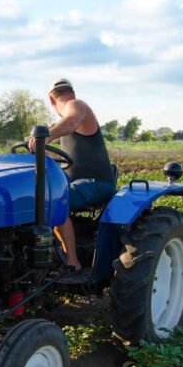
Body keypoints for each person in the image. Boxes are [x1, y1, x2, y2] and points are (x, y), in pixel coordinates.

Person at [28, 78, 115, 282]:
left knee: (53, 202)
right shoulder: (60, 124)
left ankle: (72, 262)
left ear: (51, 100)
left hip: (97, 183)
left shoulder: (76, 106)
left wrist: (45, 137)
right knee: (35, 196)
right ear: (71, 91)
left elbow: (70, 122)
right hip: (75, 182)